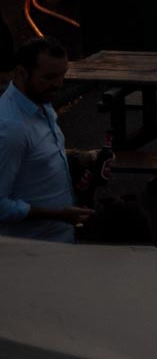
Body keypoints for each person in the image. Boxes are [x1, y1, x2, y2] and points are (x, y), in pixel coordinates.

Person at [2, 38, 92, 242]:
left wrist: (80, 159)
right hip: (35, 248)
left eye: (63, 75)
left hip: (59, 237)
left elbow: (36, 155)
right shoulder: (10, 129)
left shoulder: (39, 100)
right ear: (21, 73)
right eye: (50, 77)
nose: (59, 84)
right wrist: (58, 215)